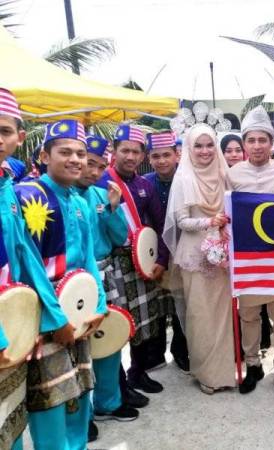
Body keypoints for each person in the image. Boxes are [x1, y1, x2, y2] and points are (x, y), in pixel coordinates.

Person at [15, 119, 107, 450]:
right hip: (44, 315)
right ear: (44, 155)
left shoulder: (80, 202)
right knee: (50, 397)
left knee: (81, 388)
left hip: (78, 309)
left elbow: (88, 261)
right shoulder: (25, 197)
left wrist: (99, 305)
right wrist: (56, 321)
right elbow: (29, 265)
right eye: (65, 152)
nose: (76, 160)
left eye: (81, 153)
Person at [0, 88, 70, 450]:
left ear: (19, 138)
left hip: (12, 320)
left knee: (10, 422)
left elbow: (26, 258)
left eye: (4, 131)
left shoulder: (7, 188)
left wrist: (46, 318)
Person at [227, 106, 274, 397]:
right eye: (251, 140)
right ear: (244, 144)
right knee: (249, 315)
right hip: (247, 257)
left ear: (271, 142)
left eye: (262, 140)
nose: (257, 146)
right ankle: (253, 364)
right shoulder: (232, 174)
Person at [163, 124, 235, 394]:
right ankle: (206, 373)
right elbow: (181, 221)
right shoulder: (183, 179)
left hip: (222, 252)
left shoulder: (222, 173)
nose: (205, 151)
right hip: (195, 255)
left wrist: (225, 226)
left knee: (223, 315)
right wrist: (210, 221)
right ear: (189, 149)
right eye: (198, 146)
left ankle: (225, 371)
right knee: (201, 316)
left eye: (209, 145)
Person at [75, 135, 138, 440]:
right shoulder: (58, 196)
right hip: (72, 282)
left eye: (100, 165)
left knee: (109, 340)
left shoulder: (104, 195)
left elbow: (120, 237)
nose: (94, 171)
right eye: (90, 163)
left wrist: (112, 209)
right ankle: (80, 415)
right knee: (77, 348)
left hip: (105, 273)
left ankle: (108, 402)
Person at [100, 124, 169, 394]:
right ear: (114, 151)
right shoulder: (99, 182)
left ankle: (137, 373)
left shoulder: (144, 186)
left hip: (142, 261)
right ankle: (118, 386)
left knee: (144, 320)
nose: (130, 157)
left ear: (143, 156)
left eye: (136, 152)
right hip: (113, 262)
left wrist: (161, 260)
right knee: (116, 323)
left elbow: (161, 224)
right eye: (124, 150)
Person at [143, 131, 189, 374]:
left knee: (184, 303)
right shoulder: (145, 183)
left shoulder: (187, 178)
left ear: (176, 154)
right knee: (159, 304)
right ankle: (156, 353)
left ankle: (181, 351)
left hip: (185, 250)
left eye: (166, 155)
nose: (162, 161)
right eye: (156, 156)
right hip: (154, 252)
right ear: (149, 158)